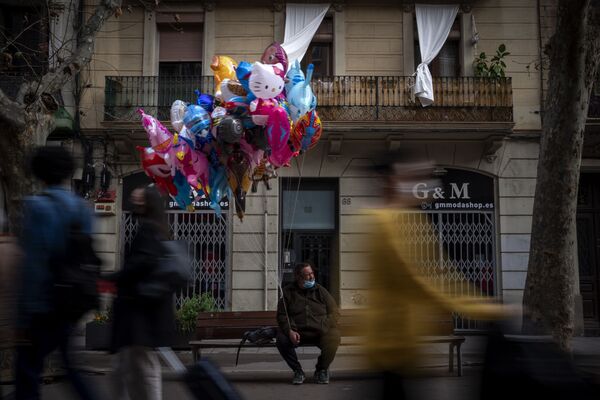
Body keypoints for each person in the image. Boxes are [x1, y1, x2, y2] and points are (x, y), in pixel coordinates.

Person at [363, 151, 510, 399]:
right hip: (391, 346)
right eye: (413, 176)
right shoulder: (384, 223)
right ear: (392, 181)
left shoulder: (407, 219)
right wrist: (487, 309)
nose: (424, 183)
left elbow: (443, 273)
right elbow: (421, 281)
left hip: (406, 345)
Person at [15, 146, 98, 400]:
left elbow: (35, 263)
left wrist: (26, 313)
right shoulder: (82, 207)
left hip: (46, 302)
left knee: (27, 369)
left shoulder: (37, 207)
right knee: (70, 366)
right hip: (73, 300)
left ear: (39, 172)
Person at [109, 186, 176, 400]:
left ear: (148, 203)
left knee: (142, 363)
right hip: (142, 308)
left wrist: (116, 276)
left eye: (139, 198)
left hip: (141, 310)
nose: (134, 200)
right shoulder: (158, 228)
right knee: (128, 364)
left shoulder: (148, 229)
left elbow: (141, 263)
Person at [276, 262, 340, 385]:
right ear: (298, 277)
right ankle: (298, 371)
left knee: (334, 336)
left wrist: (324, 325)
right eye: (307, 275)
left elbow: (335, 312)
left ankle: (321, 369)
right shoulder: (288, 292)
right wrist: (290, 330)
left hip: (320, 331)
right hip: (298, 333)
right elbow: (282, 315)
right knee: (281, 339)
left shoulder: (320, 290)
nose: (311, 277)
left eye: (312, 273)